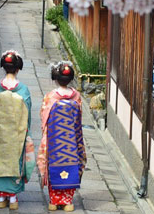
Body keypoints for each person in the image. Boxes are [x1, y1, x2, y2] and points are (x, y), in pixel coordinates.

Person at [0, 50, 32, 210]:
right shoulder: (23, 90)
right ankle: (13, 198)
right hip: (16, 134)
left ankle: (1, 197)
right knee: (15, 159)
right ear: (18, 68)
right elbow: (28, 114)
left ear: (4, 67)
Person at [38, 61, 86, 212]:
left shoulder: (50, 97)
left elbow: (43, 117)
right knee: (71, 165)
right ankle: (68, 201)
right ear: (71, 78)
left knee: (52, 165)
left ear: (55, 78)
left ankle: (54, 201)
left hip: (54, 141)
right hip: (71, 141)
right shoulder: (76, 97)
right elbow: (79, 119)